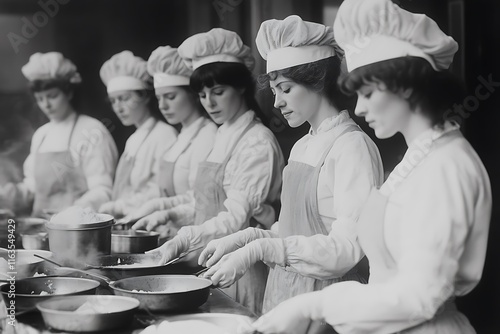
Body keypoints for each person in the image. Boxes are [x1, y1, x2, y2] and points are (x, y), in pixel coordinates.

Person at [244, 0, 492, 333]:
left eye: (368, 92)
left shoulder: (448, 166)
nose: (359, 108)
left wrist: (315, 304)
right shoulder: (417, 158)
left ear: (404, 84)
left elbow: (419, 298)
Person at [198, 16, 384, 332]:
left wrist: (261, 249)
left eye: (285, 88)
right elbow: (292, 231)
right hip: (283, 292)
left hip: (326, 303)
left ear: (319, 82)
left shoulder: (352, 146)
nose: (277, 102)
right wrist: (247, 238)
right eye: (273, 90)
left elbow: (347, 251)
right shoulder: (300, 146)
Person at [136, 28, 285, 314]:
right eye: (203, 95)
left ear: (241, 87)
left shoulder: (257, 142)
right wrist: (167, 212)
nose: (209, 103)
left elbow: (234, 218)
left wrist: (184, 239)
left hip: (242, 271)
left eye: (218, 92)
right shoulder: (222, 133)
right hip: (212, 265)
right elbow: (202, 200)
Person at [0, 52, 118, 216]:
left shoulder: (91, 131)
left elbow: (103, 190)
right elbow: (34, 187)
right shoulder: (42, 135)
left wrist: (73, 212)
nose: (46, 105)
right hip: (40, 227)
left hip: (76, 228)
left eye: (52, 96)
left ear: (69, 93)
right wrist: (7, 196)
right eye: (40, 99)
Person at [125, 46, 217, 240]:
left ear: (192, 94)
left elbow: (202, 200)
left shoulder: (207, 135)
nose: (162, 106)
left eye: (171, 97)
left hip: (197, 238)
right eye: (159, 98)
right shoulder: (180, 136)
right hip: (170, 234)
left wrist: (164, 209)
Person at [98, 51, 178, 218]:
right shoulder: (134, 139)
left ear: (145, 96)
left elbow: (162, 190)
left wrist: (120, 206)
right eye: (113, 101)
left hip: (151, 223)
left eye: (124, 98)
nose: (118, 108)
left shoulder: (164, 134)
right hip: (127, 221)